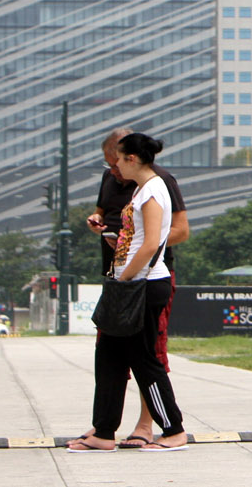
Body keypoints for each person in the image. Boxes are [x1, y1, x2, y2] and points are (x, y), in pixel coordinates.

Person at [69, 133, 188, 452]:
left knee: (143, 359)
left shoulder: (153, 190)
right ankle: (104, 431)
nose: (115, 167)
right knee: (107, 356)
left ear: (132, 159)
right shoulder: (141, 189)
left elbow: (151, 243)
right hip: (127, 282)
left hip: (143, 285)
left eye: (119, 160)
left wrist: (126, 279)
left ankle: (173, 429)